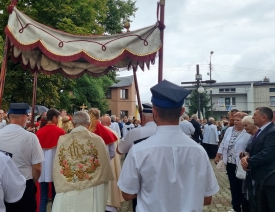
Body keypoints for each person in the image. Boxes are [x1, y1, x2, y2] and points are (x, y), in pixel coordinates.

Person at [118, 80, 219, 212]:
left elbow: (127, 194)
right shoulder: (199, 151)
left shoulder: (138, 150)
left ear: (154, 112)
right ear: (182, 111)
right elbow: (207, 198)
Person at [51, 111, 114, 212]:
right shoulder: (98, 140)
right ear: (89, 124)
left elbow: (58, 166)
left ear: (73, 124)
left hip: (69, 187)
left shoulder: (63, 140)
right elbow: (104, 168)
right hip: (92, 188)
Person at [0, 103, 44, 212]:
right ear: (24, 117)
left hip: (1, 185)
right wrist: (32, 183)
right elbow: (37, 167)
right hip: (24, 184)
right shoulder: (31, 137)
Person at [215, 112, 251, 212]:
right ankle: (236, 207)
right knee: (233, 186)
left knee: (242, 188)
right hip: (230, 163)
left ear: (244, 121)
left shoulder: (247, 131)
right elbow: (223, 143)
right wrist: (218, 154)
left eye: (238, 120)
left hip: (241, 164)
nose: (235, 122)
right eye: (234, 120)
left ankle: (245, 208)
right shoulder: (229, 130)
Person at [241, 107, 275, 211]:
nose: (252, 117)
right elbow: (257, 150)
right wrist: (247, 157)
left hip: (269, 180)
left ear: (263, 117)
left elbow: (266, 154)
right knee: (261, 206)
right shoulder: (262, 131)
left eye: (255, 115)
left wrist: (248, 162)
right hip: (261, 178)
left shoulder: (272, 131)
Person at [35, 109, 65, 212]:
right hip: (55, 167)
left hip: (43, 168)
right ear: (54, 118)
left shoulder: (39, 132)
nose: (58, 120)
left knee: (43, 197)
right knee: (55, 196)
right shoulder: (60, 132)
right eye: (58, 118)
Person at [101, 116, 124, 212]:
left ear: (101, 122)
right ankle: (111, 205)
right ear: (110, 124)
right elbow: (118, 153)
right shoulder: (114, 133)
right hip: (111, 163)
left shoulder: (94, 133)